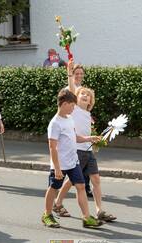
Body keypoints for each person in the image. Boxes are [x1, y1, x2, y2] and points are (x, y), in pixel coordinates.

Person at [52, 61, 117, 222]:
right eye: (82, 94)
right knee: (71, 181)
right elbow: (73, 90)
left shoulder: (87, 113)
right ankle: (57, 202)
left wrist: (94, 138)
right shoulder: (74, 109)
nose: (85, 96)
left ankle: (99, 210)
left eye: (88, 96)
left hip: (88, 150)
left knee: (95, 179)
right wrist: (69, 73)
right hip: (76, 149)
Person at [41, 89, 102, 229]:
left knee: (80, 186)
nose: (74, 108)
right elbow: (52, 147)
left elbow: (75, 138)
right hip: (60, 164)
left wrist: (89, 138)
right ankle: (47, 214)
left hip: (73, 161)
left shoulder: (69, 119)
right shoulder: (55, 123)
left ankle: (86, 218)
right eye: (72, 105)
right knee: (53, 187)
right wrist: (56, 168)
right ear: (64, 104)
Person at [66, 61, 93, 197]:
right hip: (72, 127)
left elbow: (86, 107)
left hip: (83, 127)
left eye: (81, 73)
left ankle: (85, 186)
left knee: (86, 156)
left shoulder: (83, 89)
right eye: (77, 73)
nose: (79, 75)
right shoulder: (69, 88)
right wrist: (69, 73)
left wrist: (89, 117)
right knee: (77, 160)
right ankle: (60, 187)